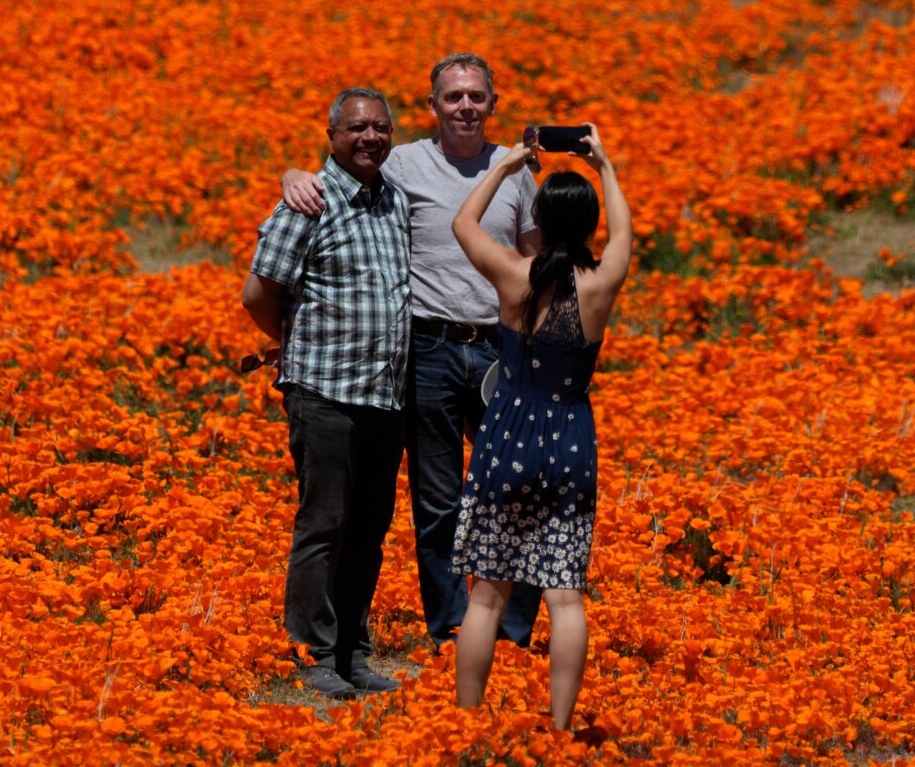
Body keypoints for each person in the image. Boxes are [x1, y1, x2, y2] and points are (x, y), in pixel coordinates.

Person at [282, 54, 545, 651]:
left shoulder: (515, 171)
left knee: (518, 490)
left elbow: (534, 262)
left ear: (493, 105)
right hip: (428, 350)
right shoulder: (402, 163)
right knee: (438, 500)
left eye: (476, 96)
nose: (465, 106)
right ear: (432, 107)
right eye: (453, 97)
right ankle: (451, 626)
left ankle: (511, 629)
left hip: (501, 350)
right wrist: (291, 174)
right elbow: (344, 167)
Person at [449, 126, 631, 730]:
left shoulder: (513, 274)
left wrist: (505, 169)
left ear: (540, 218)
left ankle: (467, 721)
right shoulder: (600, 284)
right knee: (565, 596)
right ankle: (557, 728)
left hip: (507, 436)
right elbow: (626, 234)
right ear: (589, 224)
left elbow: (462, 226)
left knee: (487, 593)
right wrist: (604, 165)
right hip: (570, 443)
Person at [243, 88, 412, 700]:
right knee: (324, 523)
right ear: (333, 136)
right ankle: (312, 654)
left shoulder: (395, 201)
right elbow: (259, 293)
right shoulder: (307, 202)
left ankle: (351, 653)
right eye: (357, 129)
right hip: (323, 391)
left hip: (385, 395)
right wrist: (298, 345)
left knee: (369, 527)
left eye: (381, 128)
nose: (370, 138)